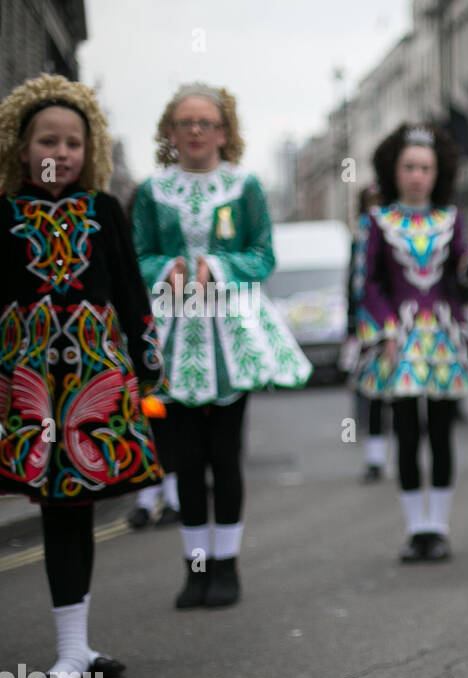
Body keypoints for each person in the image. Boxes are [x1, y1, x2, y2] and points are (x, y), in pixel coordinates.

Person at [0, 74, 165, 678]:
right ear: (21, 148)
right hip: (29, 385)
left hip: (94, 383)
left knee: (76, 507)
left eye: (73, 143)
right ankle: (72, 649)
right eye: (48, 141)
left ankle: (76, 649)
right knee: (51, 507)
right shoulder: (4, 214)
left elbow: (130, 292)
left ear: (88, 150)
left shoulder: (104, 211)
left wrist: (148, 365)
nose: (61, 153)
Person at [132, 83, 311, 608]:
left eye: (205, 123)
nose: (195, 132)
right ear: (170, 132)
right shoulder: (151, 190)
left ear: (224, 132)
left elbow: (263, 255)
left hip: (233, 335)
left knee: (224, 454)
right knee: (185, 456)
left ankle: (228, 566)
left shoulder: (245, 185)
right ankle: (196, 569)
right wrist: (169, 268)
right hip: (174, 334)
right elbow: (137, 256)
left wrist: (220, 266)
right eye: (185, 123)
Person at [357, 122, 468, 563]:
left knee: (440, 432)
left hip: (445, 338)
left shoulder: (452, 219)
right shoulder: (378, 221)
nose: (417, 175)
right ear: (394, 171)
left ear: (438, 173)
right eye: (409, 167)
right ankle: (414, 528)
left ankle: (438, 526)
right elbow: (371, 283)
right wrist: (384, 330)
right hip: (398, 340)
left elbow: (460, 279)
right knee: (406, 432)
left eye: (425, 168)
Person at [344, 184, 389, 483]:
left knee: (399, 394)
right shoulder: (359, 237)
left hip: (395, 320)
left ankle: (397, 457)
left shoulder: (392, 232)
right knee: (371, 392)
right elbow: (351, 281)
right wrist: (351, 324)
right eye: (369, 202)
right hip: (367, 324)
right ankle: (375, 458)